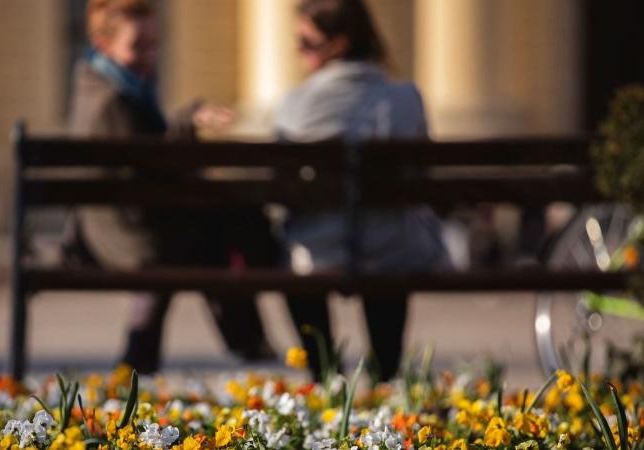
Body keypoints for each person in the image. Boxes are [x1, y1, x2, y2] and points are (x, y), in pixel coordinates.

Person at [66, 0, 277, 373]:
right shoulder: (112, 101)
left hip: (122, 223)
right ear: (104, 43)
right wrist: (188, 125)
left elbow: (152, 159)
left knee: (222, 230)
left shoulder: (108, 86)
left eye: (154, 44)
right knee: (227, 233)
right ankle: (248, 340)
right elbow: (157, 169)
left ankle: (142, 353)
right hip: (126, 231)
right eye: (138, 46)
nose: (150, 55)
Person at [274, 0, 450, 382]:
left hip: (315, 253)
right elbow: (424, 175)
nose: (298, 52)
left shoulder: (295, 104)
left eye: (306, 43)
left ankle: (324, 375)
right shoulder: (407, 99)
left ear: (338, 44)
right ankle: (385, 373)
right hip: (395, 249)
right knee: (389, 238)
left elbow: (280, 183)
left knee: (296, 260)